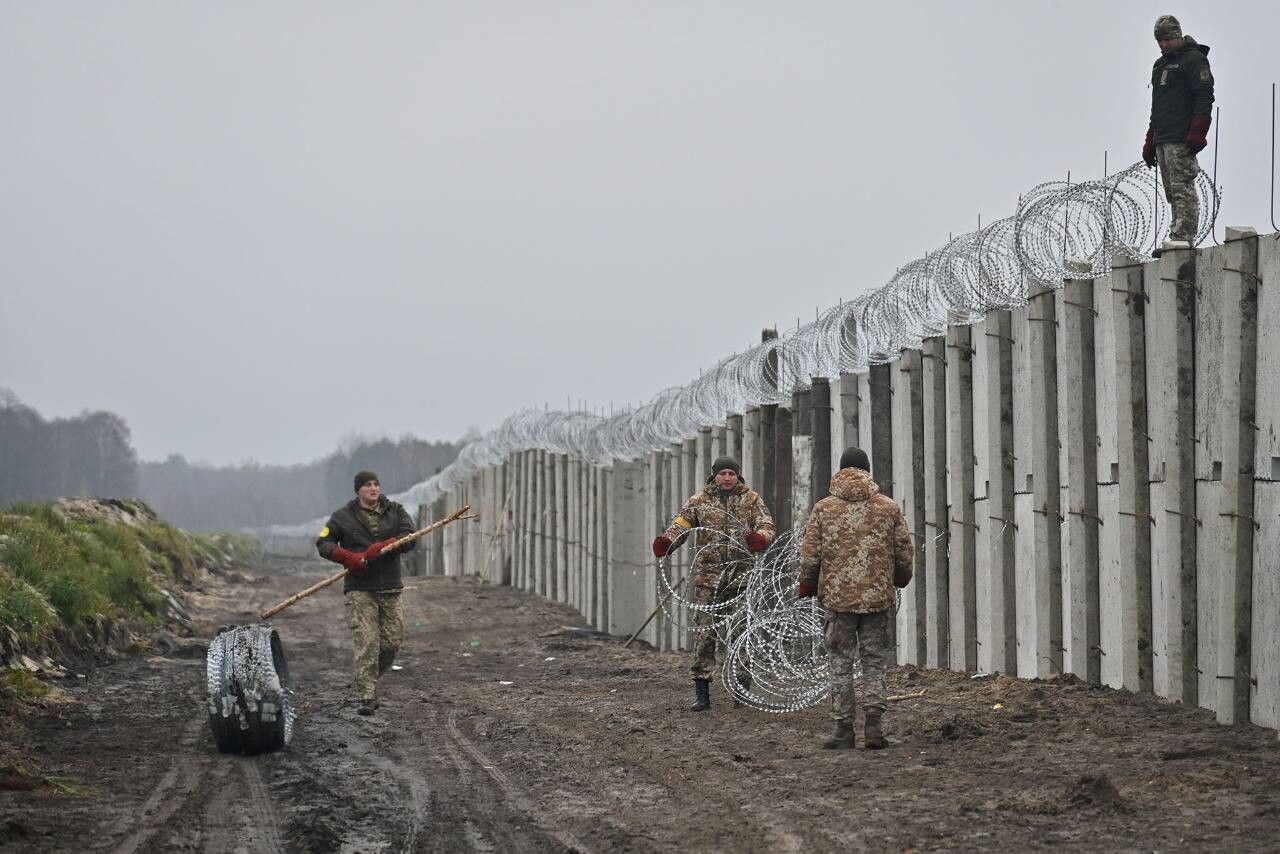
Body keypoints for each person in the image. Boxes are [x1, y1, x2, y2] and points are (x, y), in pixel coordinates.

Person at [796, 447, 912, 750]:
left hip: (837, 601)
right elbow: (903, 550)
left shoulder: (824, 508)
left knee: (840, 662)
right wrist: (900, 578)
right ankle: (874, 728)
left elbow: (810, 555)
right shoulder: (888, 507)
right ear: (867, 470)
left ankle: (843, 730)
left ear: (841, 470)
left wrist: (807, 584)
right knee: (874, 662)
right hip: (877, 599)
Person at [652, 456, 775, 712]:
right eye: (723, 474)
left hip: (741, 578)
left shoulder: (751, 500)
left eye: (731, 473)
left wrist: (760, 538)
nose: (727, 478)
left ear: (737, 475)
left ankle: (742, 690)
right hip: (708, 580)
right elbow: (680, 526)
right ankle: (702, 692)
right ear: (714, 476)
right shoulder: (699, 502)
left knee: (742, 634)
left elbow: (766, 524)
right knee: (704, 635)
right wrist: (667, 543)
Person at [316, 470, 417, 716]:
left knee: (391, 642)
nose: (373, 488)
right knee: (367, 642)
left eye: (376, 484)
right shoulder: (342, 517)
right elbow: (323, 543)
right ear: (358, 490)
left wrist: (385, 545)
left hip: (390, 586)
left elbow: (410, 537)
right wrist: (347, 557)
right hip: (360, 589)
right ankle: (366, 695)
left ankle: (367, 677)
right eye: (368, 485)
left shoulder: (395, 511)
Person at [1142, 14, 1214, 256]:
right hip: (1164, 135)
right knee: (1171, 190)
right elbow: (1157, 106)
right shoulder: (1159, 65)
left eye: (1167, 40)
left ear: (1177, 36)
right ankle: (1176, 234)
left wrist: (1197, 131)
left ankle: (1184, 237)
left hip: (1182, 136)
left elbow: (1204, 97)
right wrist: (1151, 138)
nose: (1163, 45)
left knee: (1182, 186)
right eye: (1159, 41)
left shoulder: (1194, 60)